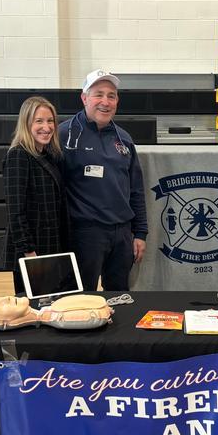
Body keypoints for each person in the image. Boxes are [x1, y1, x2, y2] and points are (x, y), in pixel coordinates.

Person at [59, 69, 148, 292]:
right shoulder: (63, 135)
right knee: (80, 297)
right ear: (84, 98)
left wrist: (140, 233)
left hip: (122, 235)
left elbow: (136, 190)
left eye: (111, 96)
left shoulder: (124, 139)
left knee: (119, 297)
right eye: (98, 94)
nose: (105, 102)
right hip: (85, 234)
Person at [3, 95, 69, 294]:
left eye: (50, 121)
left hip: (52, 248)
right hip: (32, 252)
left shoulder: (49, 156)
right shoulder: (18, 155)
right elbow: (15, 211)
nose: (46, 127)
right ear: (26, 123)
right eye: (39, 121)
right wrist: (29, 252)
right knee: (34, 313)